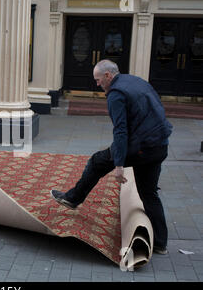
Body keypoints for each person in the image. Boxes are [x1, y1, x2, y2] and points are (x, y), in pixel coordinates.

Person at [50, 59, 173, 255]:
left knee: (97, 161)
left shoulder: (116, 94)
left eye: (98, 80)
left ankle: (72, 199)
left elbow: (121, 131)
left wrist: (118, 164)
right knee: (149, 193)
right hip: (160, 145)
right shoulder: (136, 81)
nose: (97, 84)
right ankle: (160, 243)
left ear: (108, 76)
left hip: (141, 146)